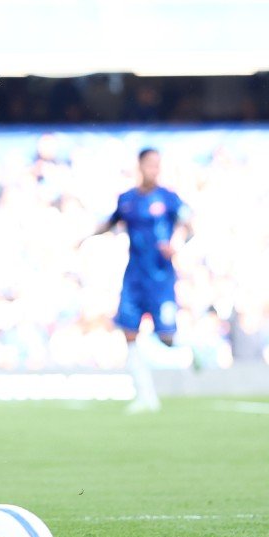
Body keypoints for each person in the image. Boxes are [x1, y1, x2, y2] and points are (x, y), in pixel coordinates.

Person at [88, 148, 190, 413]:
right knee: (129, 333)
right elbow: (110, 223)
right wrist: (85, 236)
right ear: (140, 166)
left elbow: (188, 224)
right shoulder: (127, 200)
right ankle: (146, 396)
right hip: (134, 278)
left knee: (166, 337)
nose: (154, 169)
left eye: (158, 164)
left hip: (161, 278)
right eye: (150, 164)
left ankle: (194, 351)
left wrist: (176, 243)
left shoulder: (169, 198)